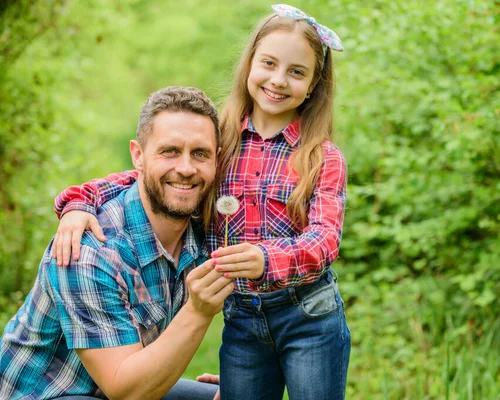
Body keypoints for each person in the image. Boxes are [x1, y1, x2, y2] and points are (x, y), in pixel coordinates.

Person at [51, 4, 350, 399]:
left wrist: (266, 259)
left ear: (312, 85)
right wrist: (79, 202)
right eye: (269, 64)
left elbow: (326, 238)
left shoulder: (321, 156)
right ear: (249, 67)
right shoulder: (221, 142)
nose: (278, 80)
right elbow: (153, 176)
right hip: (242, 318)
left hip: (309, 314)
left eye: (297, 72)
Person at [0, 86, 232, 400]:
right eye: (170, 151)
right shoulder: (89, 250)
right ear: (138, 155)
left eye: (200, 153)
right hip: (47, 394)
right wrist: (199, 312)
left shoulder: (204, 227)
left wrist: (240, 375)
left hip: (112, 383)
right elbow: (126, 392)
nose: (187, 168)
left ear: (216, 160)